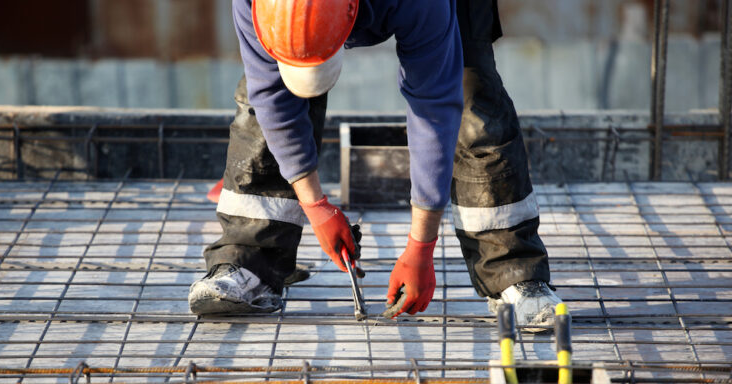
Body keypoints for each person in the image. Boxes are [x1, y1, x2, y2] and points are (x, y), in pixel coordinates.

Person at [188, 0, 562, 332]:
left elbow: (434, 105)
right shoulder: (254, 5)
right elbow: (272, 95)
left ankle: (514, 271)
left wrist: (421, 246)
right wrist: (316, 206)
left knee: (470, 92)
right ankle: (247, 261)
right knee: (263, 101)